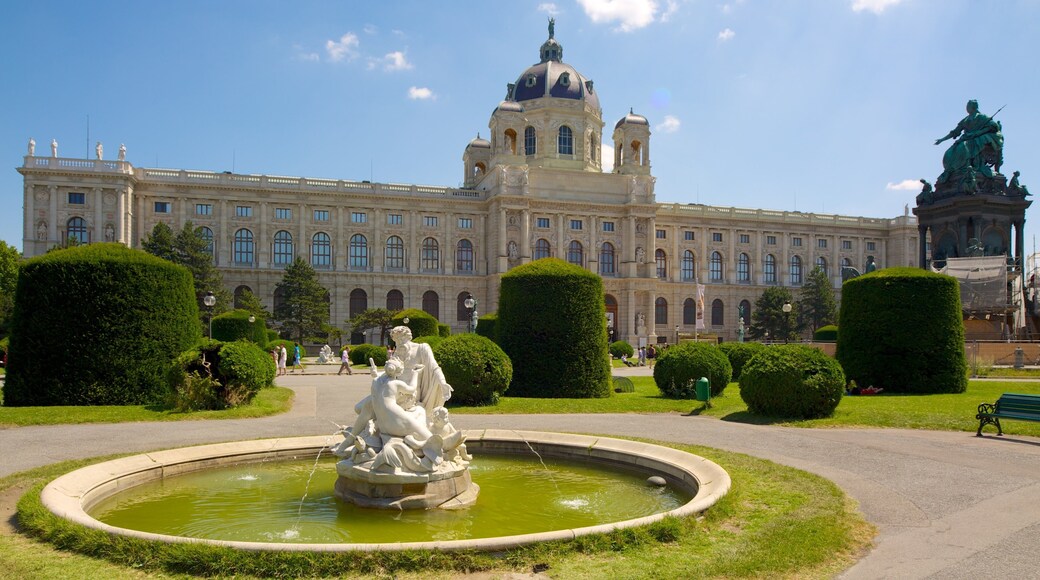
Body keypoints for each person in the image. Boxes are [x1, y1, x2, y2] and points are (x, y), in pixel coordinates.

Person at [389, 325, 453, 415]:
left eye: (401, 339)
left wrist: (443, 383)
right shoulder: (398, 352)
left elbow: (434, 367)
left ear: (408, 337)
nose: (399, 343)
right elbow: (390, 372)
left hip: (413, 395)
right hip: (396, 393)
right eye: (396, 341)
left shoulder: (422, 349)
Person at [935, 100, 1003, 184]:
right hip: (966, 139)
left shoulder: (982, 117)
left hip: (976, 139)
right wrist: (942, 139)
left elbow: (993, 127)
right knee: (950, 152)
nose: (966, 108)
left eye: (968, 106)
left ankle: (967, 167)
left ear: (972, 107)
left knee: (963, 147)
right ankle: (952, 170)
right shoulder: (965, 120)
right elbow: (955, 132)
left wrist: (978, 133)